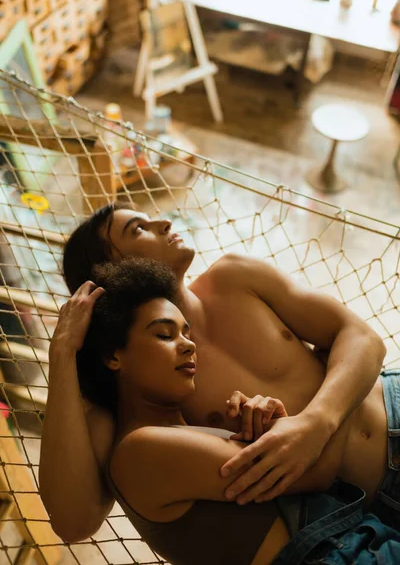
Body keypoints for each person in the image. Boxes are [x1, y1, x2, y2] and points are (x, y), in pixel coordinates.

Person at [40, 203, 387, 543]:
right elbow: (73, 523)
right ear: (111, 272)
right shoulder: (140, 386)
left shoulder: (236, 275)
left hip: (391, 406)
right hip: (361, 520)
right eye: (138, 229)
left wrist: (317, 421)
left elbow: (365, 338)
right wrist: (63, 353)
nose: (163, 221)